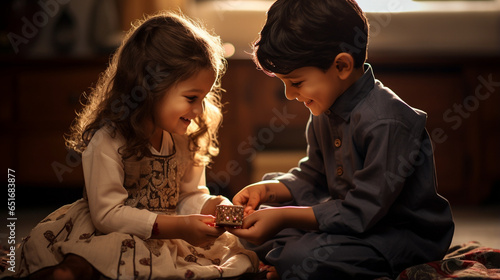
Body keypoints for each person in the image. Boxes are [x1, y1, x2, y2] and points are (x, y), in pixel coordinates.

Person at [1, 11, 258, 280]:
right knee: (99, 254)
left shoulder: (185, 136)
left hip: (167, 231)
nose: (199, 110)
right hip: (113, 230)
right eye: (192, 97)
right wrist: (176, 226)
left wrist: (211, 207)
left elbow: (188, 196)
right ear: (149, 87)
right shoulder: (109, 139)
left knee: (234, 256)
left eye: (203, 97)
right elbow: (107, 215)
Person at [227, 0, 455, 279]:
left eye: (296, 83)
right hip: (346, 223)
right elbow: (313, 176)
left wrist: (284, 217)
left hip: (395, 234)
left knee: (303, 255)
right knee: (257, 224)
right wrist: (268, 191)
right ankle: (291, 258)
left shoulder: (389, 122)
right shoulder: (326, 107)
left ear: (342, 66)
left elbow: (361, 211)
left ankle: (293, 259)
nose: (289, 95)